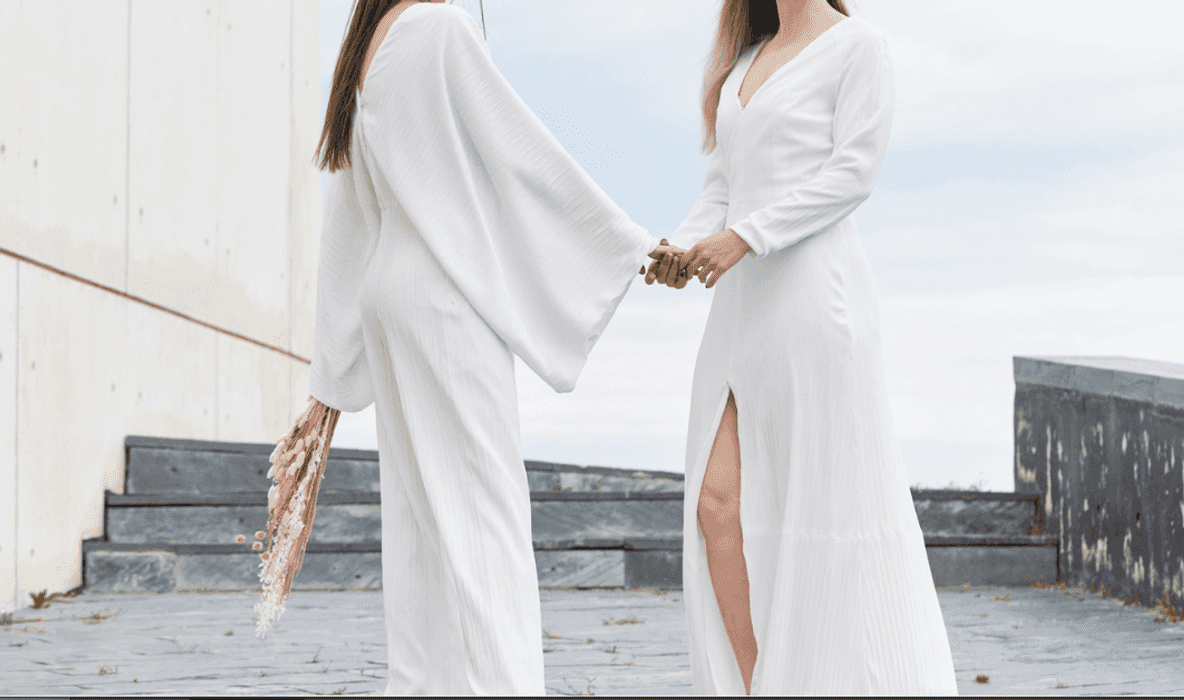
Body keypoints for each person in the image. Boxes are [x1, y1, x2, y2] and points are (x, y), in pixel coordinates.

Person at [308, 0, 672, 693]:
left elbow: (348, 209)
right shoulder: (442, 28)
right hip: (442, 292)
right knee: (484, 517)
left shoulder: (370, 41)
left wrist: (330, 363)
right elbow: (520, 154)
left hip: (390, 290)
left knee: (421, 528)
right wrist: (628, 245)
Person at [645, 0, 959, 694]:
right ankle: (760, 682)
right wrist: (683, 248)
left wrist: (745, 237)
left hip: (815, 303)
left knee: (823, 507)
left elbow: (853, 173)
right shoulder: (742, 62)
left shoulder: (859, 46)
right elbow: (722, 188)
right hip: (737, 309)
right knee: (714, 503)